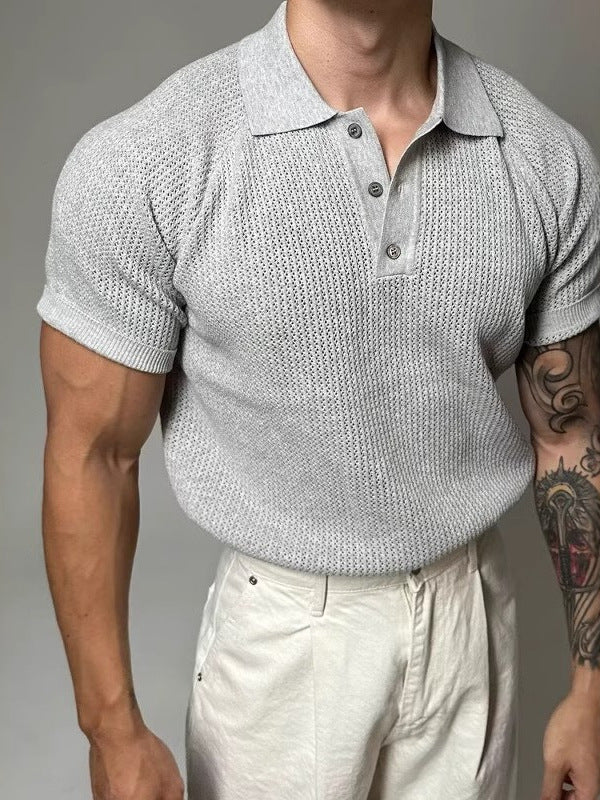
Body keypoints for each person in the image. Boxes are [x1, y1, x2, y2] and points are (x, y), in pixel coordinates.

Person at [36, 0, 600, 798]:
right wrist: (111, 727)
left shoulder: (545, 159)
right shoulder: (148, 161)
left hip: (471, 612)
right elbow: (93, 454)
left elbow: (571, 438)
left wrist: (591, 688)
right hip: (285, 633)